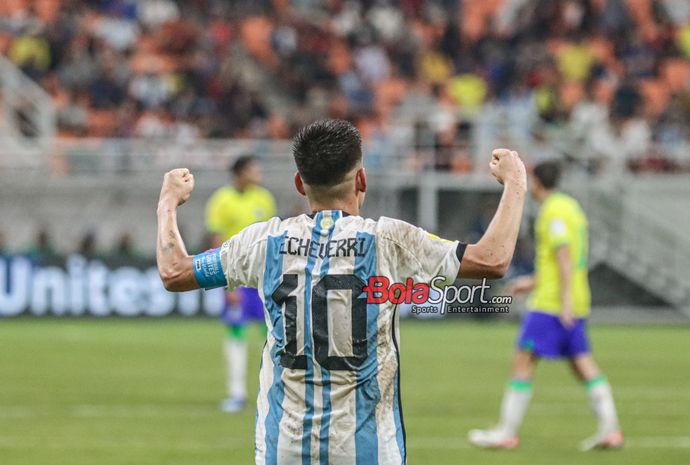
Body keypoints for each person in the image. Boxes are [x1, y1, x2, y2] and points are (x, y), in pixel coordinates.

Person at [155, 119, 526, 465]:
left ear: (300, 184)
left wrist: (168, 203)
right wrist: (515, 184)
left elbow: (175, 273)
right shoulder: (388, 239)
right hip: (367, 447)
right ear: (361, 179)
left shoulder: (263, 241)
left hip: (282, 446)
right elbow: (492, 259)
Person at [468, 161, 623, 451]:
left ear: (537, 182)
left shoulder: (552, 211)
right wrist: (532, 283)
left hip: (552, 304)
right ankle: (610, 429)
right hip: (574, 299)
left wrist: (562, 302)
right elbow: (566, 260)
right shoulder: (572, 207)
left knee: (523, 360)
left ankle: (506, 432)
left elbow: (563, 254)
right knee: (582, 364)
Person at [205, 155, 276, 413]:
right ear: (240, 173)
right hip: (235, 277)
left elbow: (271, 241)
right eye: (253, 168)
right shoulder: (221, 200)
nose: (259, 172)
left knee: (271, 335)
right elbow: (216, 241)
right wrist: (226, 283)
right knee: (236, 333)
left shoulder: (264, 198)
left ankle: (270, 391)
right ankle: (236, 393)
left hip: (261, 277)